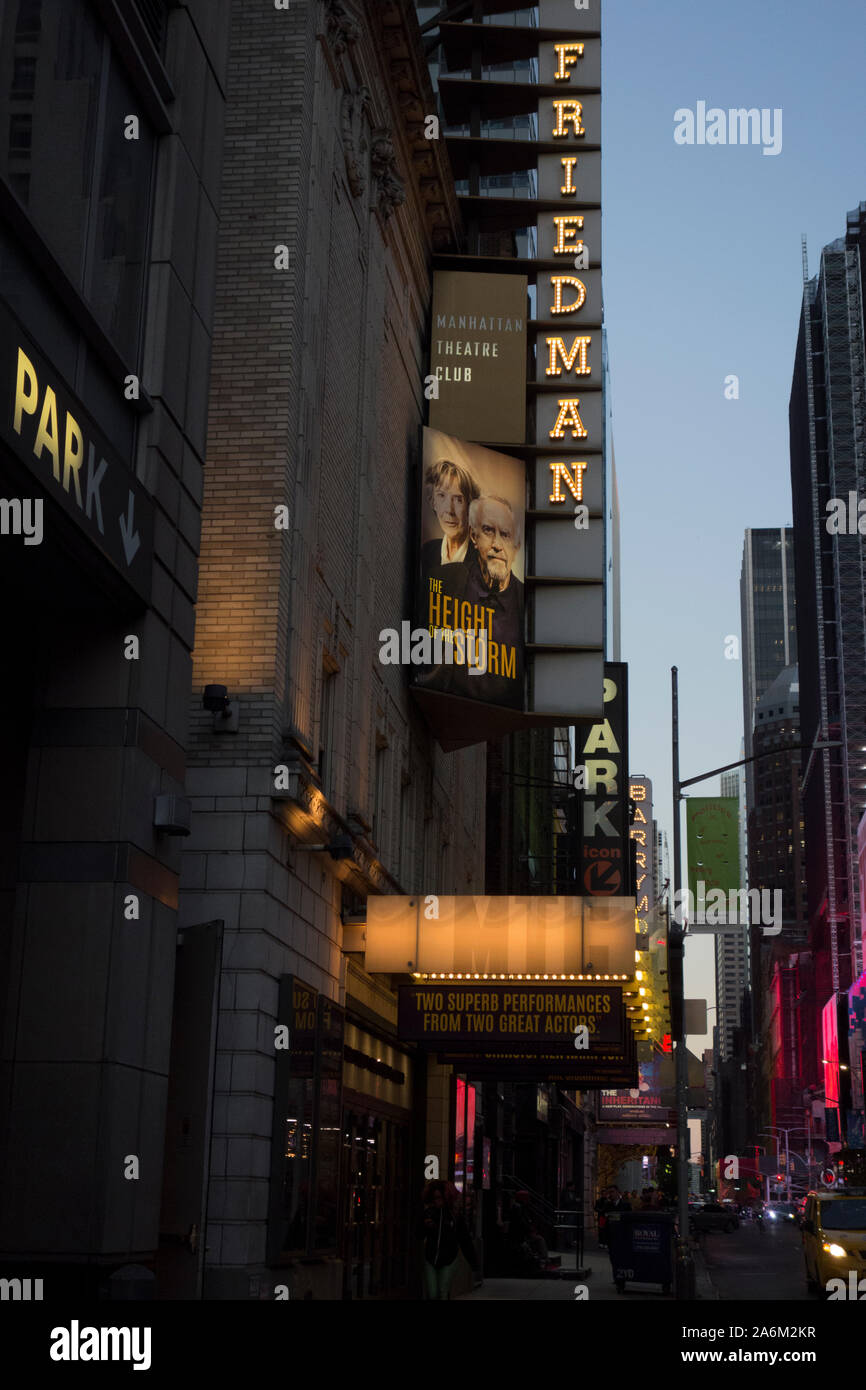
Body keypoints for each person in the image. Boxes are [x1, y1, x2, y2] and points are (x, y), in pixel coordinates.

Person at [419, 1180, 477, 1300]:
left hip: (449, 1259)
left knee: (443, 1292)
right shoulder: (428, 1214)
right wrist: (425, 1227)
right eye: (434, 1198)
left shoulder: (454, 1216)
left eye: (439, 1198)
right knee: (432, 1292)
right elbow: (418, 1235)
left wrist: (473, 1263)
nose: (437, 1201)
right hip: (431, 1258)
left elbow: (464, 1239)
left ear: (446, 1198)